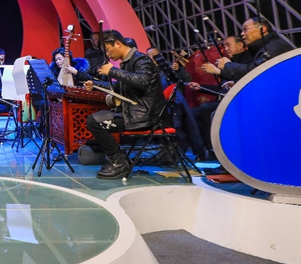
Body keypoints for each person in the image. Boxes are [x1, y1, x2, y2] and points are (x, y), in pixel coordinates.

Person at [82, 30, 163, 179]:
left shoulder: (142, 60)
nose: (107, 54)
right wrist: (95, 84)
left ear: (118, 44)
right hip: (135, 111)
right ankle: (119, 159)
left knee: (94, 121)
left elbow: (142, 81)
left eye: (108, 49)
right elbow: (119, 86)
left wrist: (112, 71)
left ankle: (119, 161)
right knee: (94, 119)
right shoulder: (128, 63)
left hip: (145, 115)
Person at [146, 47, 214, 162]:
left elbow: (186, 78)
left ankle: (196, 152)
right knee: (179, 127)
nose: (152, 58)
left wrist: (178, 70)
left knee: (188, 126)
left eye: (154, 55)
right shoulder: (148, 70)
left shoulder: (169, 67)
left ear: (160, 56)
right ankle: (171, 154)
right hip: (161, 103)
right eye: (149, 55)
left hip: (176, 101)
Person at [189, 35, 253, 148]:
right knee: (190, 114)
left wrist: (218, 71)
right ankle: (202, 148)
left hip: (244, 103)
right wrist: (201, 87)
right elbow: (222, 89)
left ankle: (213, 147)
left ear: (240, 45)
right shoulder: (231, 61)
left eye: (228, 45)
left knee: (206, 108)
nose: (226, 49)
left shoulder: (247, 62)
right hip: (230, 101)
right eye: (224, 46)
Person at [216, 16, 295, 82]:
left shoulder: (274, 48)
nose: (242, 33)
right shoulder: (267, 46)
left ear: (262, 29)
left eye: (245, 29)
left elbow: (255, 73)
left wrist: (227, 65)